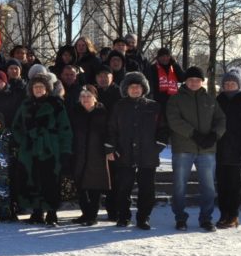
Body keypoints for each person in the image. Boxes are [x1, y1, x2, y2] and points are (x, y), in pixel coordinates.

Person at [166, 66, 226, 232]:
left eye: (197, 80)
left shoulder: (210, 99)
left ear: (202, 82)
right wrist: (193, 134)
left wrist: (214, 135)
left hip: (207, 150)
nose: (194, 83)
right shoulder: (175, 99)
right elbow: (174, 120)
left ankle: (206, 218)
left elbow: (221, 119)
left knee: (208, 187)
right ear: (185, 81)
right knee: (179, 186)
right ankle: (180, 218)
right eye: (191, 80)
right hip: (183, 148)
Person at [12, 72, 72, 225]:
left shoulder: (56, 104)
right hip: (30, 149)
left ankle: (51, 212)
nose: (38, 89)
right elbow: (16, 126)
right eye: (35, 87)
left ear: (47, 88)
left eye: (41, 87)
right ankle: (37, 211)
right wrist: (23, 141)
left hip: (50, 149)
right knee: (32, 180)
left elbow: (65, 129)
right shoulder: (25, 105)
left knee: (50, 180)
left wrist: (65, 150)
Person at [106, 72, 163, 230]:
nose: (135, 90)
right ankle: (123, 217)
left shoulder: (154, 106)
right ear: (126, 89)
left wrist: (157, 146)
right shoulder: (119, 106)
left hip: (147, 155)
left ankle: (143, 218)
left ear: (144, 88)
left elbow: (163, 129)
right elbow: (111, 129)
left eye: (138, 87)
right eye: (131, 87)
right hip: (124, 154)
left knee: (147, 189)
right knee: (123, 188)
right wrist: (111, 148)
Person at [215, 67, 241, 229]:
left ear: (239, 85)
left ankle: (233, 215)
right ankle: (223, 214)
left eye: (233, 83)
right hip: (220, 152)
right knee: (222, 185)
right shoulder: (218, 102)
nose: (229, 86)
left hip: (237, 153)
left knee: (234, 186)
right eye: (226, 83)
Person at [68, 86, 111, 226]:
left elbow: (110, 132)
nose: (85, 99)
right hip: (79, 153)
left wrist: (109, 148)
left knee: (95, 186)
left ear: (95, 98)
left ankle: (92, 215)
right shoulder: (74, 112)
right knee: (80, 185)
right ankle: (85, 213)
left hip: (96, 154)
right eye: (83, 96)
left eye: (88, 96)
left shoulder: (102, 113)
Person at [145, 48, 183, 115]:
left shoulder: (174, 67)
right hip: (158, 100)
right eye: (162, 56)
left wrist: (175, 64)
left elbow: (182, 78)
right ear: (158, 58)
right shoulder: (152, 68)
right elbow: (149, 83)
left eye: (167, 56)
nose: (165, 58)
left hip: (173, 100)